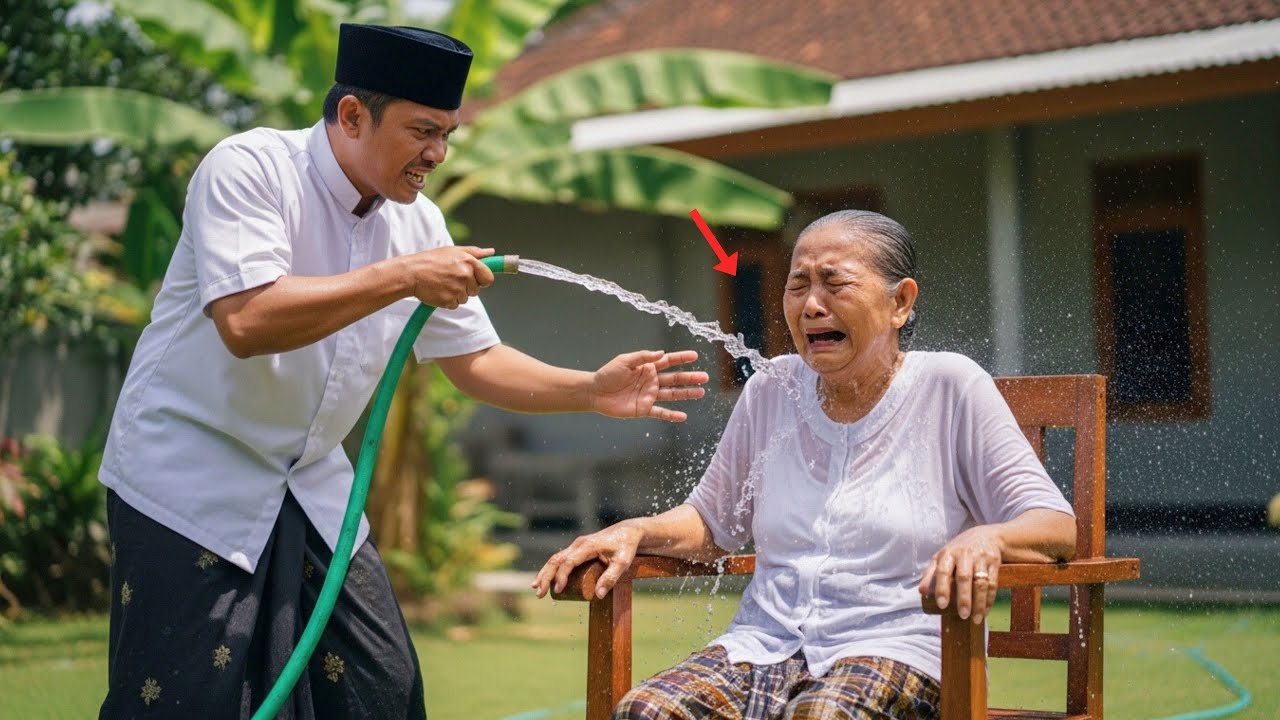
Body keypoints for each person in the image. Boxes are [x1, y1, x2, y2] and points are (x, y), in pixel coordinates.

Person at [97, 23, 708, 720]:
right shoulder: (250, 169)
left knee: (380, 689)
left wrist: (590, 390)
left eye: (447, 135)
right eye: (422, 131)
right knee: (187, 700)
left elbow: (475, 360)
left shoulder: (418, 224)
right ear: (353, 115)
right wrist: (404, 276)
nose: (437, 154)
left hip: (310, 482)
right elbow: (248, 320)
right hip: (191, 477)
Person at [533, 210, 1076, 720]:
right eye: (798, 285)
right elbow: (712, 524)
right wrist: (635, 529)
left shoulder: (949, 387)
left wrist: (986, 539)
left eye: (835, 283)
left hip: (899, 650)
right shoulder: (773, 388)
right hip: (763, 645)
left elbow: (1055, 526)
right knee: (647, 711)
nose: (812, 305)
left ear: (900, 302)